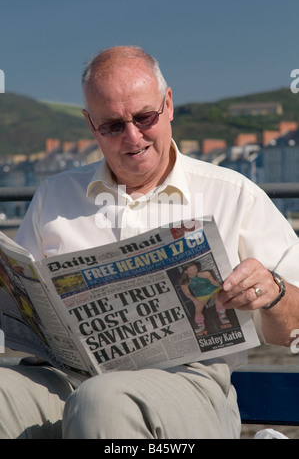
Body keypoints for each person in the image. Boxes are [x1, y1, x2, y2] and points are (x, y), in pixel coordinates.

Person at [1, 45, 299, 439]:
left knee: (102, 401)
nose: (132, 136)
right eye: (112, 125)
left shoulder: (232, 194)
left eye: (144, 117)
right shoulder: (54, 197)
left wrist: (272, 293)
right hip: (64, 379)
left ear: (169, 104)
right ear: (91, 125)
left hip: (188, 388)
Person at [179, 262, 231, 334]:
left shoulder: (205, 274)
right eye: (191, 270)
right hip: (201, 294)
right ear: (186, 271)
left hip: (212, 289)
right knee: (198, 308)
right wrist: (194, 300)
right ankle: (200, 325)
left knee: (218, 298)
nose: (194, 271)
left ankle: (222, 316)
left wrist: (221, 288)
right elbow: (187, 294)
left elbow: (213, 282)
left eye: (195, 269)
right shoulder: (184, 282)